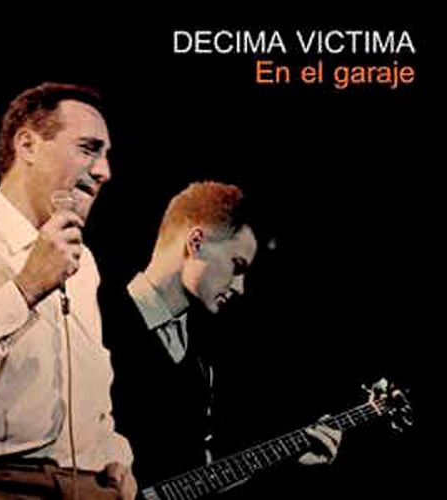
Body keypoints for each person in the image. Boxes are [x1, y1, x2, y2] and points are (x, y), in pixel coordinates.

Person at [0, 82, 137, 499]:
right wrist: (26, 288)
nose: (105, 172)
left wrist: (115, 455)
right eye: (89, 149)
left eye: (106, 155)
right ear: (28, 145)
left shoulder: (85, 263)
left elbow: (91, 387)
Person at [101, 181, 342, 494]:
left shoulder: (202, 355)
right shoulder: (97, 319)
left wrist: (288, 459)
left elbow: (197, 475)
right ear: (196, 242)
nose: (240, 287)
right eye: (236, 266)